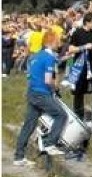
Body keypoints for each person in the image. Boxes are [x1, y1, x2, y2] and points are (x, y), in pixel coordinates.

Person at [13, 29, 67, 164]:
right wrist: (55, 88)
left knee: (29, 125)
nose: (59, 44)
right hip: (42, 94)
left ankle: (19, 156)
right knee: (61, 115)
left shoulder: (36, 56)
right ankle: (49, 143)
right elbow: (48, 80)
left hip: (32, 92)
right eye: (58, 41)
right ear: (52, 42)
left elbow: (32, 74)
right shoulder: (48, 58)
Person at [67, 12, 92, 119]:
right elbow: (71, 49)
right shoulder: (77, 33)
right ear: (86, 22)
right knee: (79, 90)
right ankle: (78, 114)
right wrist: (84, 47)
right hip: (80, 63)